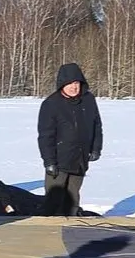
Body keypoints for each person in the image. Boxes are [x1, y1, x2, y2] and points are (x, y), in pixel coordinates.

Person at [36, 62, 103, 216]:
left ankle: (71, 229)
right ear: (62, 84)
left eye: (76, 83)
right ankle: (49, 230)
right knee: (54, 201)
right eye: (70, 84)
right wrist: (49, 162)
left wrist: (95, 149)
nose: (74, 87)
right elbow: (46, 136)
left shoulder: (88, 100)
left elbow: (96, 126)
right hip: (59, 161)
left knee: (72, 199)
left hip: (79, 159)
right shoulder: (51, 104)